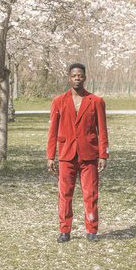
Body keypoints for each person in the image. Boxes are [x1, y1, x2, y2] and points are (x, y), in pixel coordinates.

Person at [46, 63, 109, 243]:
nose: (77, 79)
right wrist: (50, 156)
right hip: (66, 155)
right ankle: (64, 230)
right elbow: (52, 130)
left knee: (91, 193)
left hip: (89, 155)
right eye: (74, 76)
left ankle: (92, 229)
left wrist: (103, 155)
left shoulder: (96, 101)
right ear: (69, 78)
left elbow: (102, 130)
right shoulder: (58, 101)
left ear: (85, 78)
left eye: (80, 76)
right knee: (65, 194)